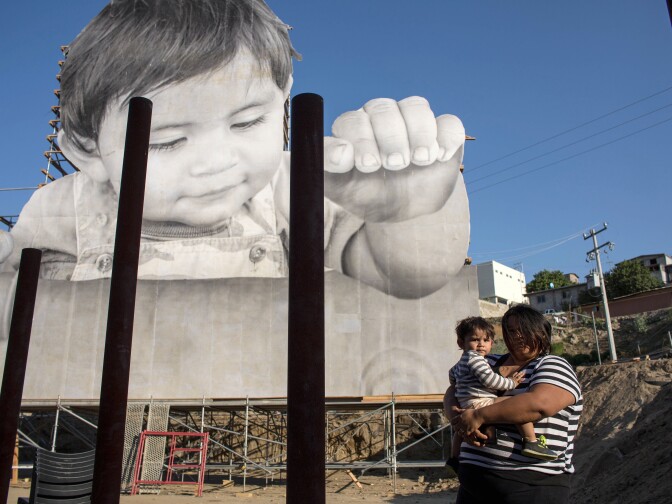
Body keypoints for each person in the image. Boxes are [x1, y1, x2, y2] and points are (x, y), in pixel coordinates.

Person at [0, 0, 469, 299]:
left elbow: (404, 277)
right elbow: (14, 312)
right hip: (96, 412)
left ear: (282, 99)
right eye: (167, 140)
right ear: (87, 151)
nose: (216, 161)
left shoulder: (292, 186)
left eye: (247, 122)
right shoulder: (62, 206)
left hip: (261, 402)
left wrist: (408, 212)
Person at [444, 305, 583, 503]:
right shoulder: (487, 360)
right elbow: (453, 389)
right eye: (511, 330)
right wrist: (458, 419)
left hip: (530, 486)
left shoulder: (552, 364)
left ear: (542, 333)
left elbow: (538, 404)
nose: (517, 336)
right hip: (473, 483)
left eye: (524, 329)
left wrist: (478, 416)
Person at [446, 316, 557, 472]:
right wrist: (511, 383)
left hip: (467, 402)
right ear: (461, 343)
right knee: (515, 405)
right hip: (480, 400)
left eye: (485, 340)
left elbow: (452, 378)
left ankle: (454, 459)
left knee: (459, 431)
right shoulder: (478, 360)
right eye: (475, 340)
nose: (480, 344)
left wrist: (462, 387)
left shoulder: (461, 362)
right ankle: (531, 441)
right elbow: (490, 380)